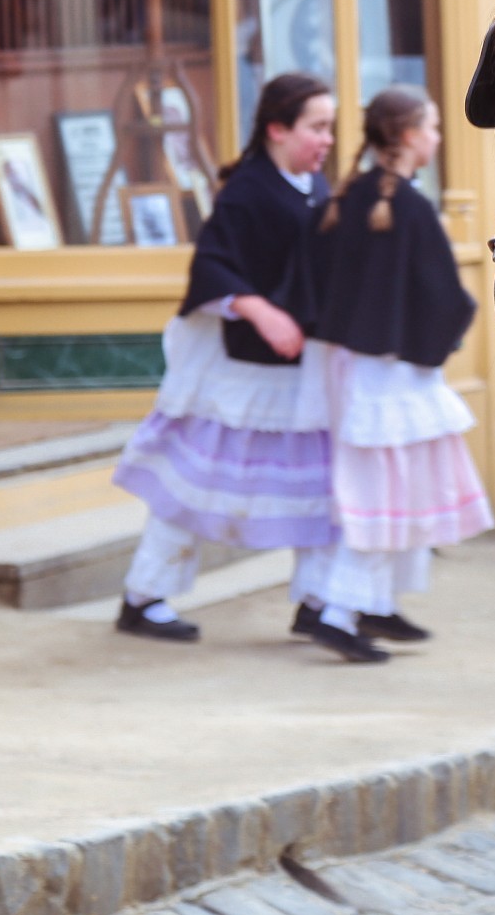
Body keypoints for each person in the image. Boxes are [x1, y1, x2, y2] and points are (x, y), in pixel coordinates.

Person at [111, 73, 339, 642]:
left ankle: (319, 599)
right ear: (277, 130)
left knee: (326, 484)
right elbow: (212, 265)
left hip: (302, 368)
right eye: (317, 127)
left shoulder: (314, 187)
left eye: (329, 128)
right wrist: (260, 310)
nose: (327, 140)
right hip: (238, 374)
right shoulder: (246, 193)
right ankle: (144, 596)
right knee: (190, 484)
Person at [288, 87, 493, 662]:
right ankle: (338, 610)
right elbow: (443, 296)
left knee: (364, 488)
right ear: (406, 137)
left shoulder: (342, 196)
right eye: (430, 127)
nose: (438, 137)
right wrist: (441, 343)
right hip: (389, 373)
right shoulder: (409, 207)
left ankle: (358, 602)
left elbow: (312, 279)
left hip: (338, 365)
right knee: (385, 492)